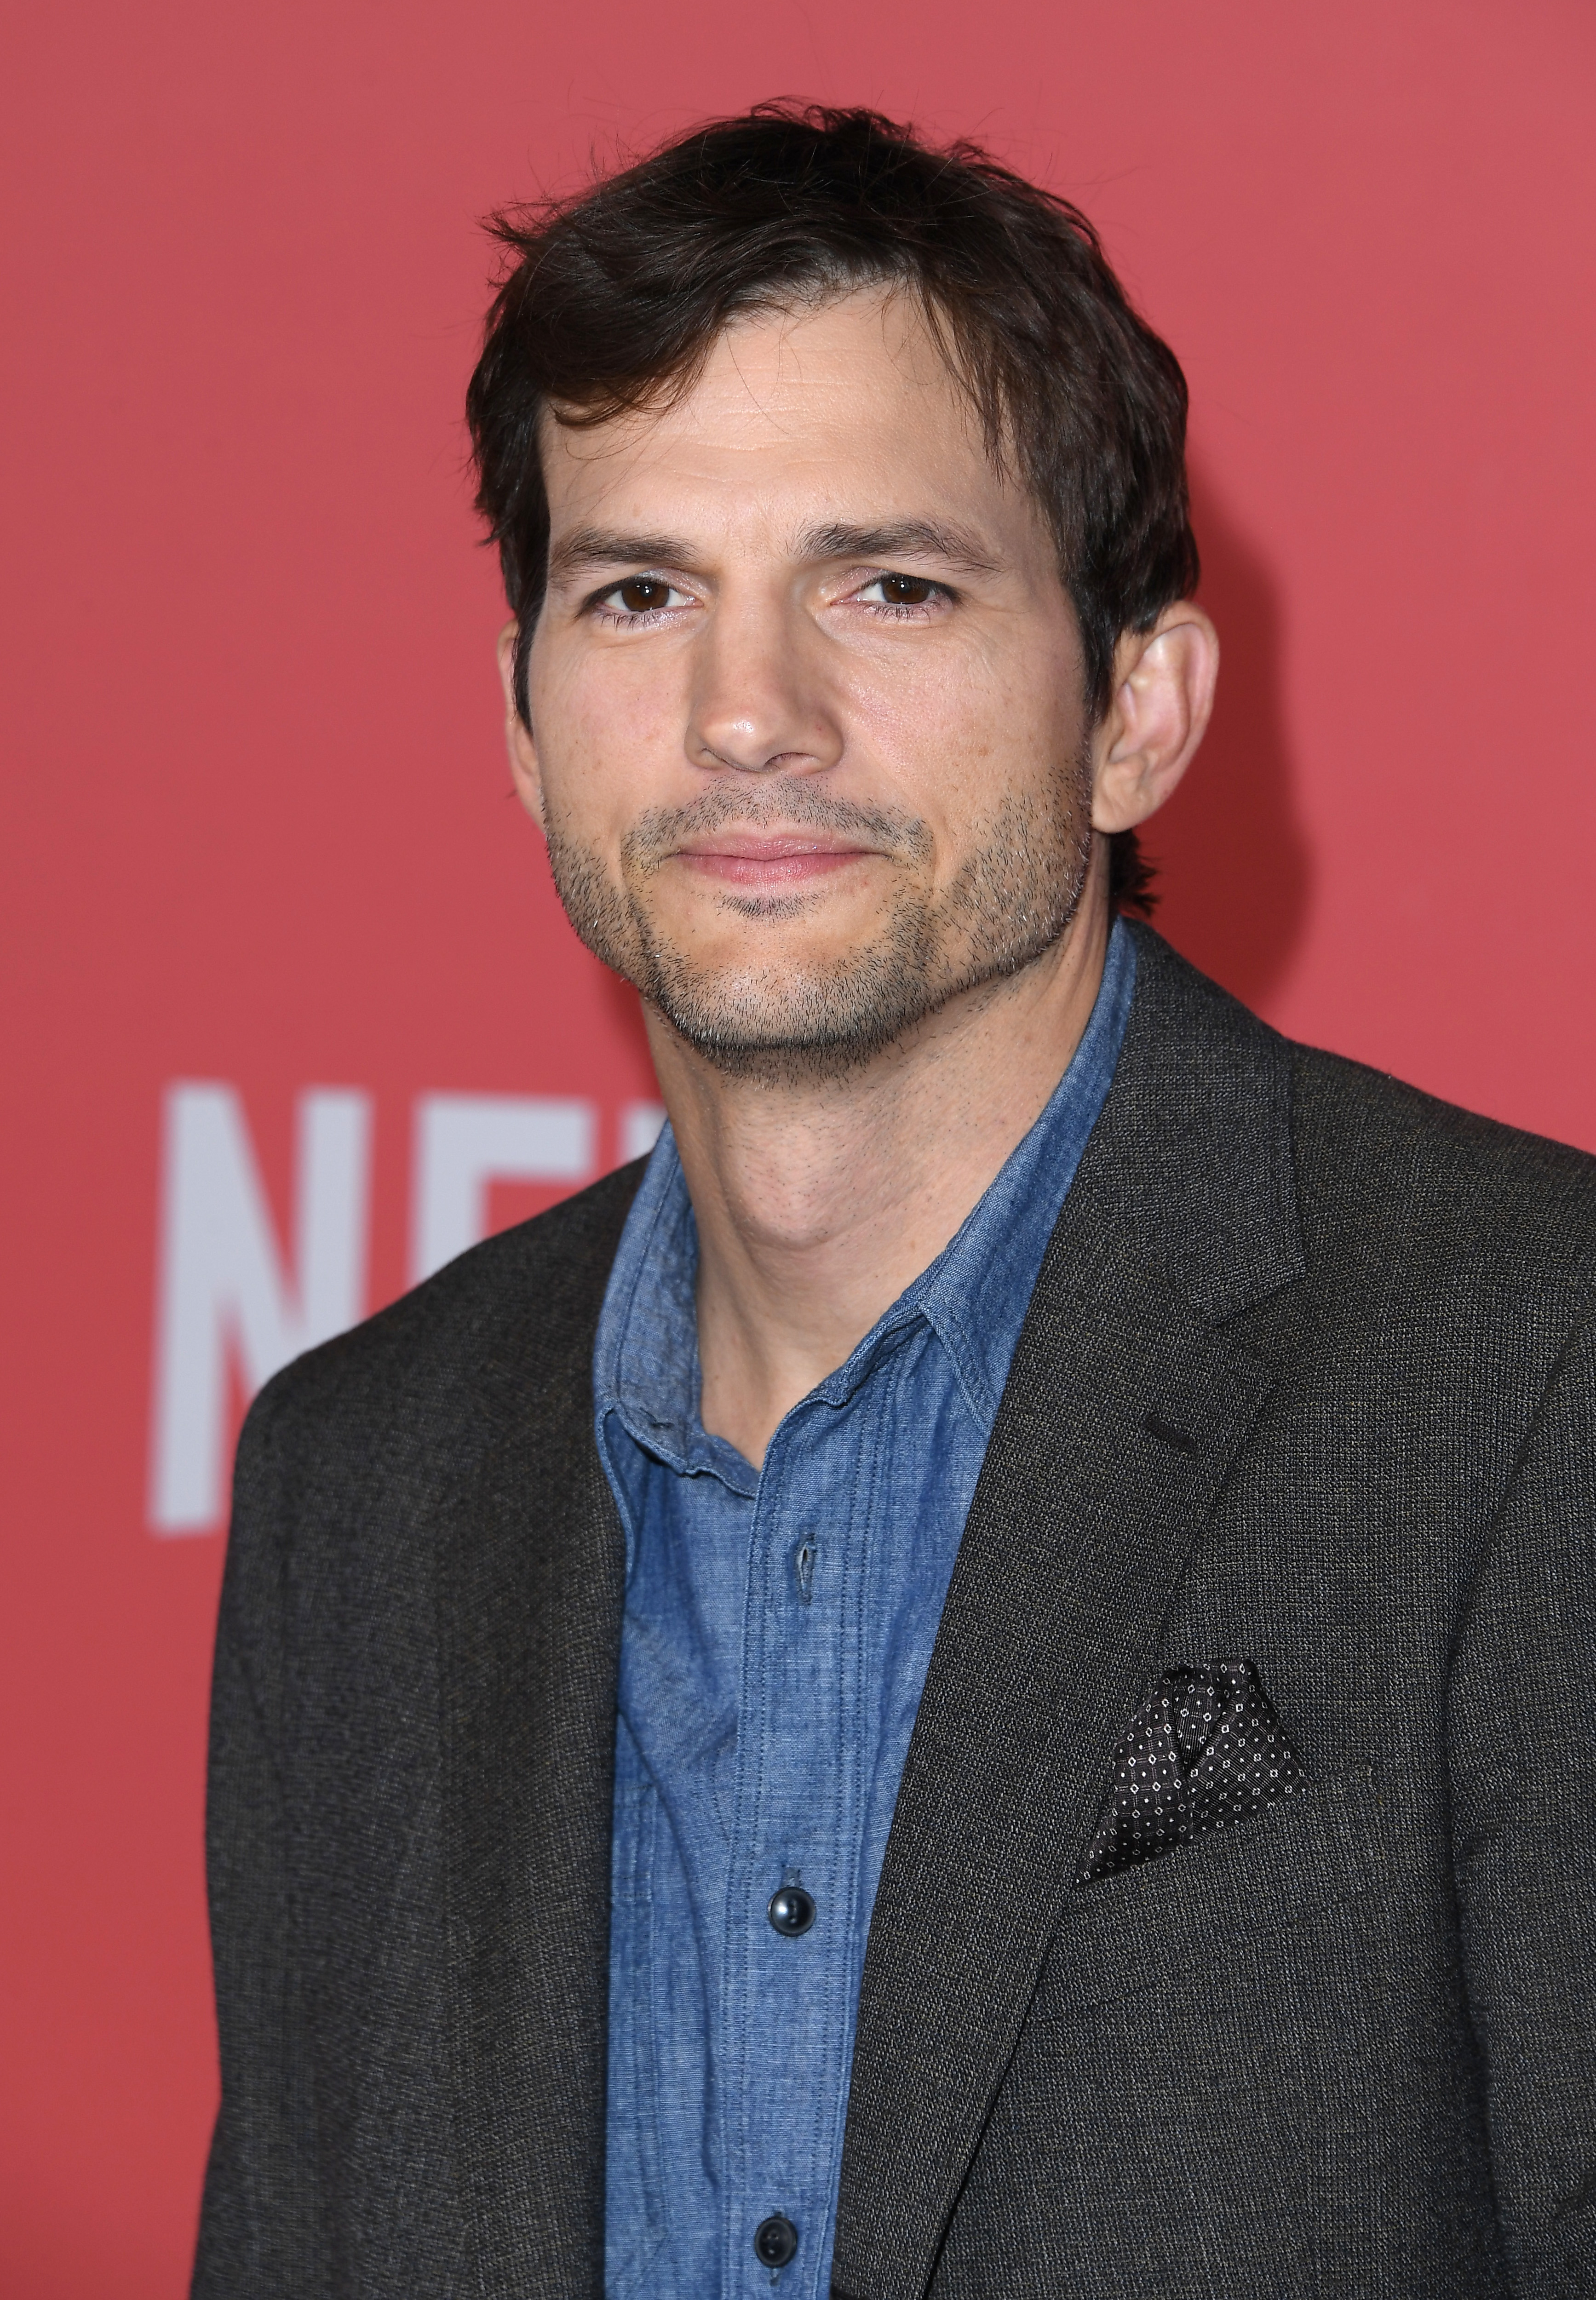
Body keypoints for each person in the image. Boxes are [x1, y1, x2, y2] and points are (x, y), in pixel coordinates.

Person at [192, 104, 1596, 2300]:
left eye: (890, 587)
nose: (749, 714)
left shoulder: (1529, 1374)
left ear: (1136, 704)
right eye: (641, 592)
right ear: (523, 722)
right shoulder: (358, 1484)